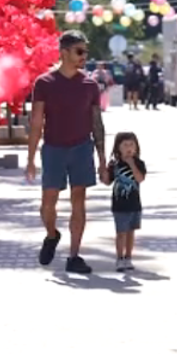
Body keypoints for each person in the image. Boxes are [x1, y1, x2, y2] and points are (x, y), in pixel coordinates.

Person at [26, 31, 107, 274]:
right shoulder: (44, 83)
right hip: (53, 149)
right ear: (64, 53)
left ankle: (74, 256)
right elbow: (37, 122)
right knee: (47, 204)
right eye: (79, 51)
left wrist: (102, 160)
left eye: (85, 52)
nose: (84, 56)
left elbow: (97, 123)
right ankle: (52, 235)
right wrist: (30, 159)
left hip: (82, 148)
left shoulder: (90, 85)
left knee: (79, 201)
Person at [108, 131, 147, 272]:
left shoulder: (139, 163)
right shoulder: (115, 165)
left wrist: (132, 164)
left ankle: (128, 257)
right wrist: (104, 171)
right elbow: (107, 181)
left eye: (132, 145)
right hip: (119, 205)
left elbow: (140, 178)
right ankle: (119, 258)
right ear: (118, 148)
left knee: (131, 232)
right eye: (125, 145)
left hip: (134, 204)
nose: (129, 148)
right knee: (121, 233)